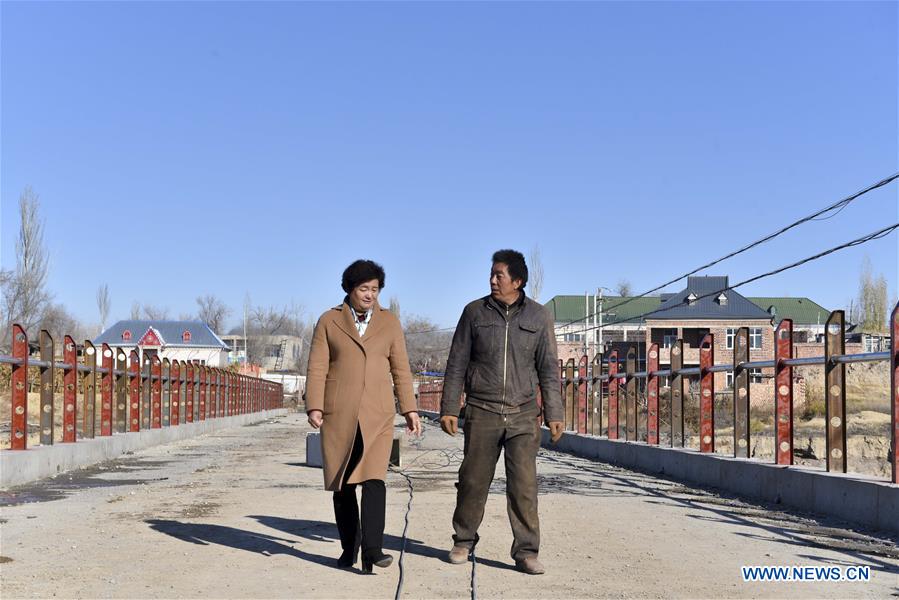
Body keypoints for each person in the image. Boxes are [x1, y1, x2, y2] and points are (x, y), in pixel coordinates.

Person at [439, 249, 564, 575]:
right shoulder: (474, 312)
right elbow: (457, 363)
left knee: (524, 486)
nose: (493, 280)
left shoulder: (539, 317)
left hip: (523, 413)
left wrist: (554, 412)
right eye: (492, 274)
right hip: (482, 410)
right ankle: (463, 541)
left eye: (500, 275)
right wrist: (449, 407)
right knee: (472, 481)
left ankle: (526, 552)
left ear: (517, 281)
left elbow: (549, 368)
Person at [305, 259, 421, 573]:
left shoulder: (389, 322)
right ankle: (349, 547)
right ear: (350, 289)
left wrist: (409, 409)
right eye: (363, 289)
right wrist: (315, 405)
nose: (370, 295)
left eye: (375, 289)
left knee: (374, 479)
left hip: (378, 413)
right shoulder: (329, 320)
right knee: (343, 484)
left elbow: (401, 369)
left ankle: (373, 549)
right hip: (339, 413)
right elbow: (317, 366)